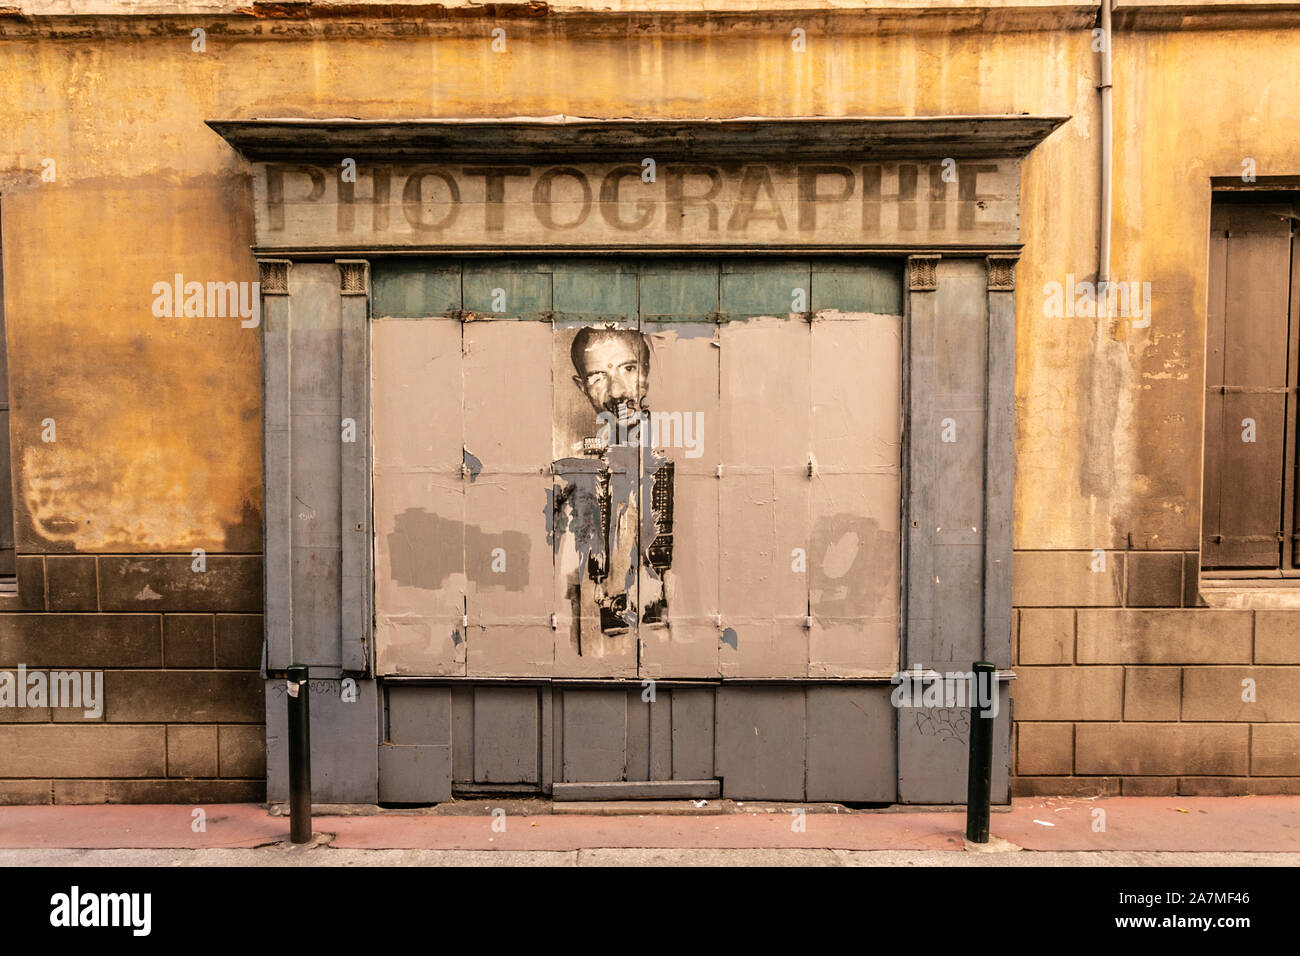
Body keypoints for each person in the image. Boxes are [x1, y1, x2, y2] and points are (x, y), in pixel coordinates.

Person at [553, 327, 673, 639]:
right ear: (582, 387)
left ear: (645, 374)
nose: (617, 391)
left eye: (629, 369)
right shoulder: (570, 473)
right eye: (598, 376)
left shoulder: (673, 458)